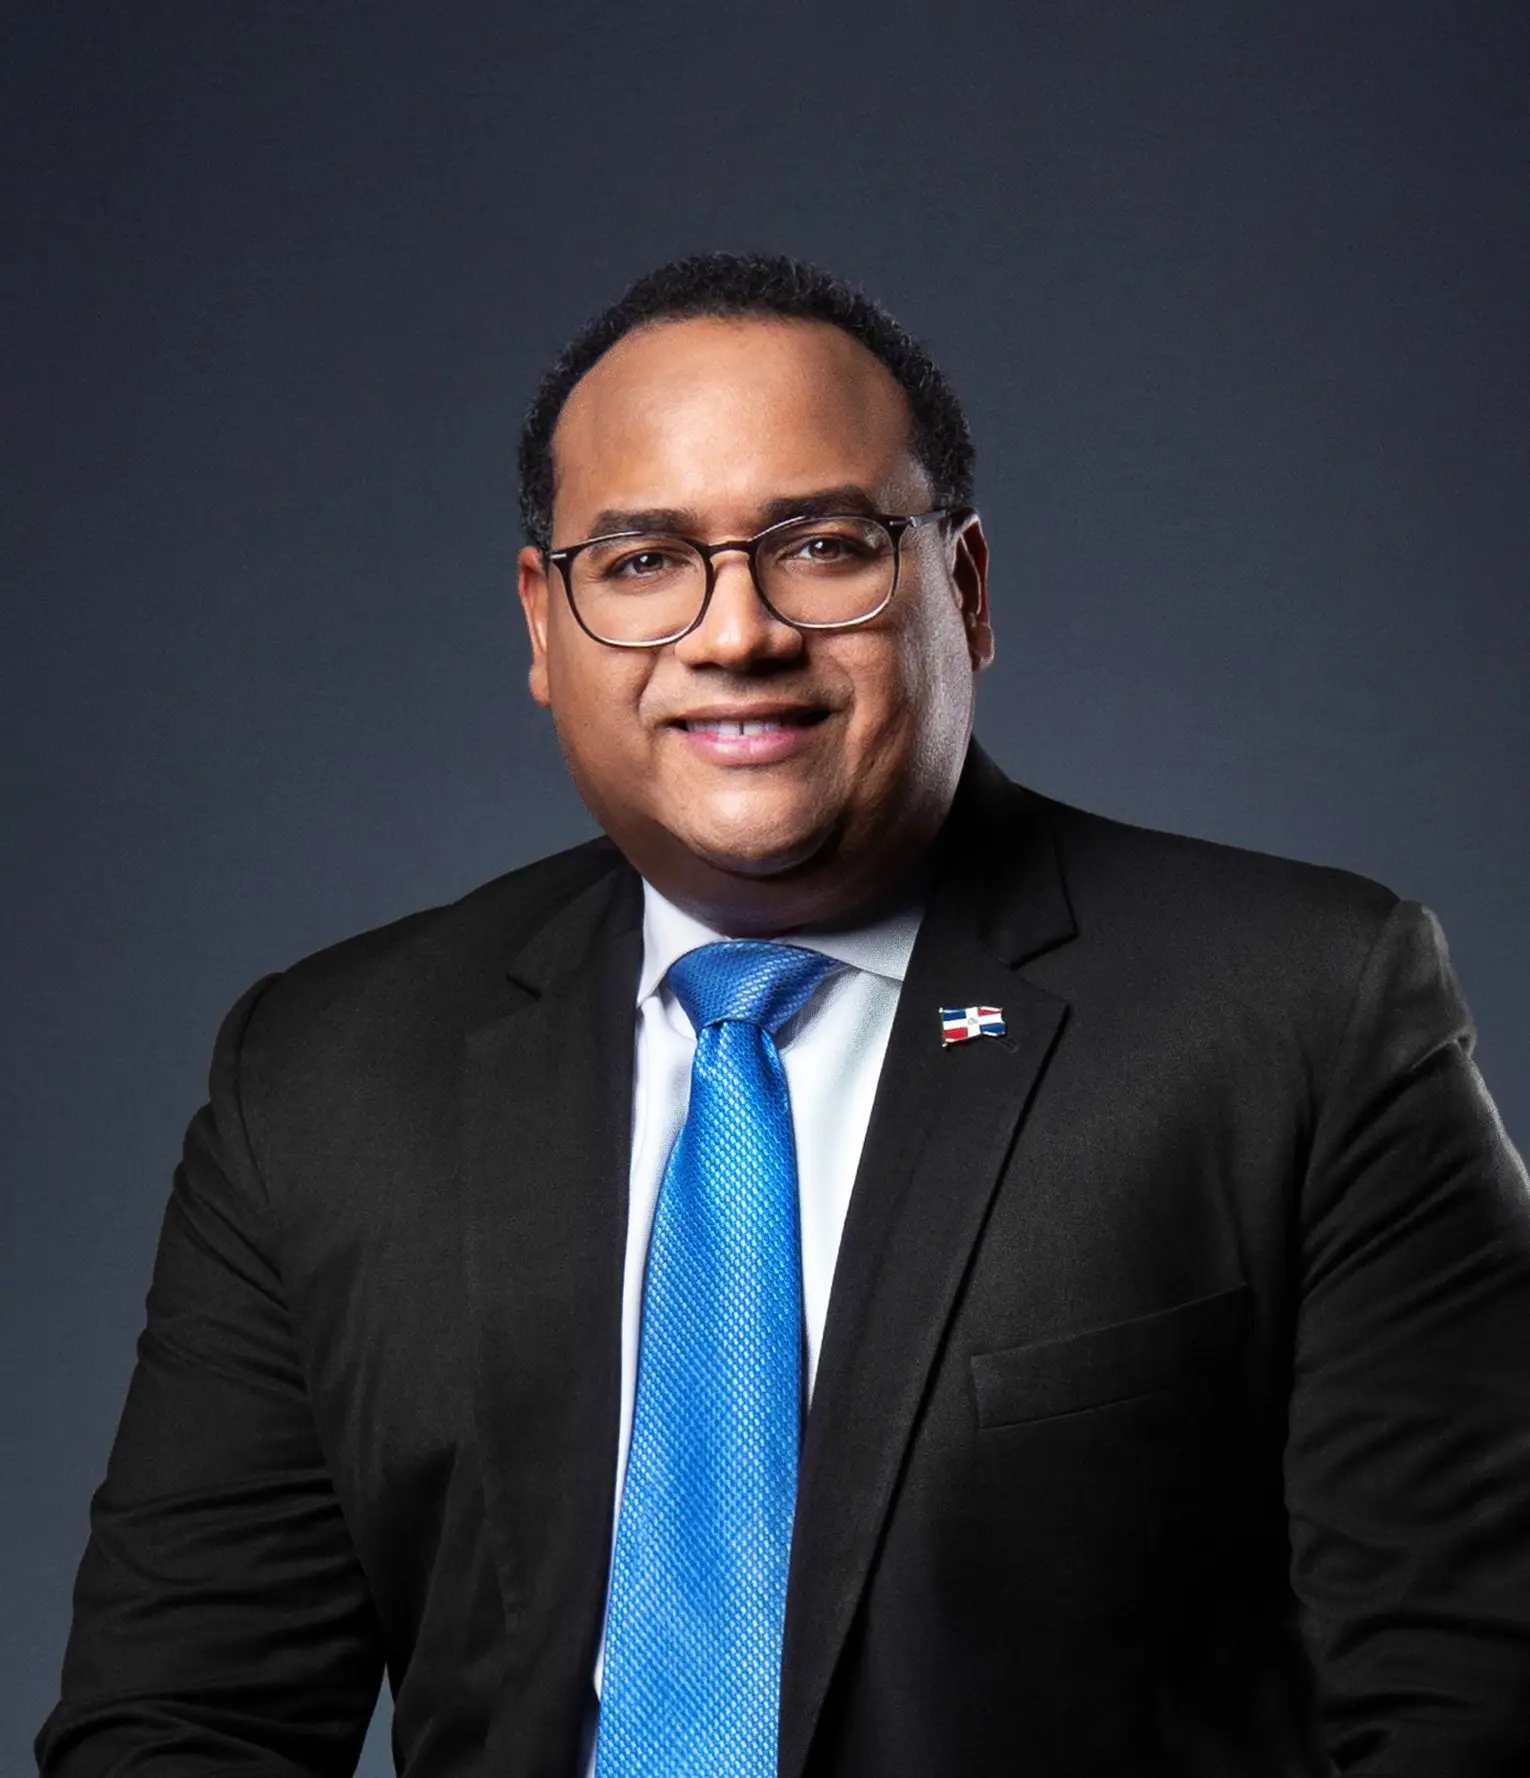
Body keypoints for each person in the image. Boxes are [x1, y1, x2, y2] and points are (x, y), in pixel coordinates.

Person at [38, 253, 1530, 1778]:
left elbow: (1469, 1702)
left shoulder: (1301, 1013)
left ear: (963, 588)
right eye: (640, 561)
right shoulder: (326, 1077)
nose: (734, 631)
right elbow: (180, 1721)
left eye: (820, 546)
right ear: (543, 624)